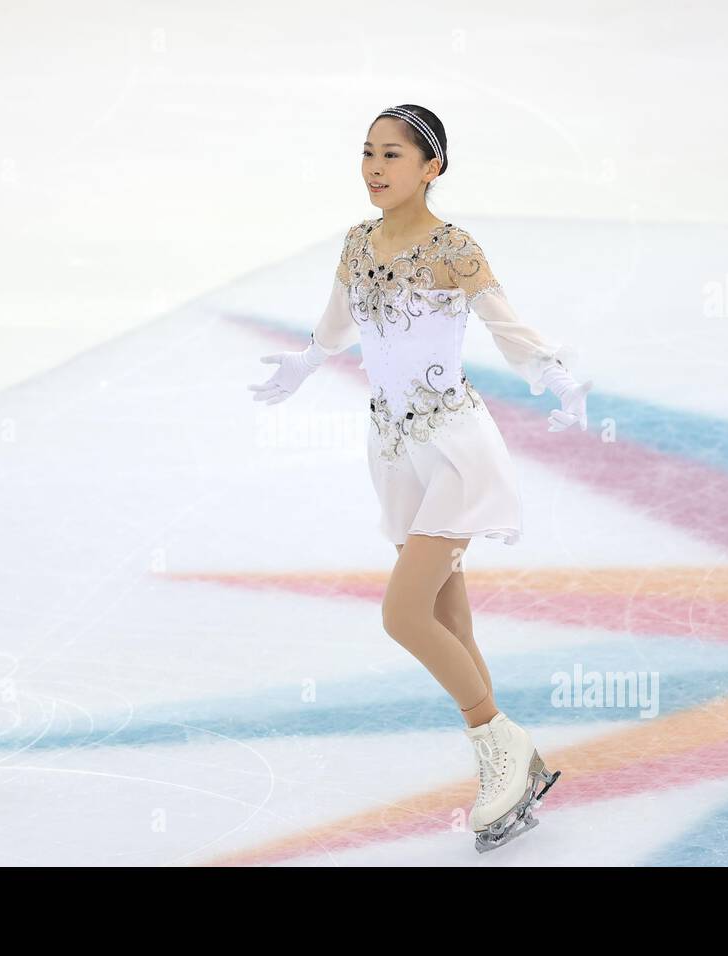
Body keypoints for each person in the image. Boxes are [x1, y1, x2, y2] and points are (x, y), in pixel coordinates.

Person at [248, 105, 587, 851]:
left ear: (431, 167)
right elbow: (337, 327)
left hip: (456, 449)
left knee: (403, 615)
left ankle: (502, 742)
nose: (375, 166)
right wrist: (304, 364)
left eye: (393, 154)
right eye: (368, 152)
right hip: (397, 453)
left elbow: (504, 322)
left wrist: (555, 371)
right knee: (449, 618)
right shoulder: (357, 243)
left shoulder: (453, 249)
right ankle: (508, 764)